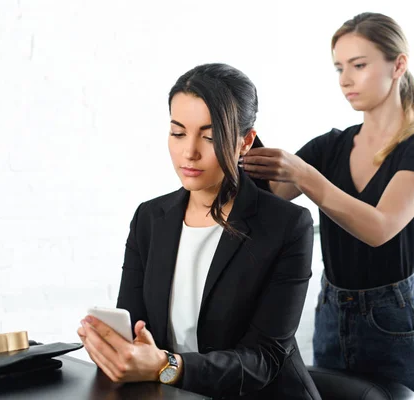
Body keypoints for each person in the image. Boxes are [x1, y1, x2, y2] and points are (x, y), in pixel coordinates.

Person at [77, 63, 321, 400]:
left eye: (210, 136)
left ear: (244, 142)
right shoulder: (149, 218)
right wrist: (116, 349)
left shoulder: (287, 226)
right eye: (178, 133)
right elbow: (136, 328)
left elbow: (263, 360)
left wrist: (166, 365)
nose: (189, 151)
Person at [241, 12, 414, 400]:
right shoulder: (330, 146)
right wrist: (234, 135)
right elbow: (265, 199)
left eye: (359, 65)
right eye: (339, 67)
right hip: (332, 313)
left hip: (395, 319)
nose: (345, 80)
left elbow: (380, 227)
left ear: (398, 64)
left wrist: (306, 176)